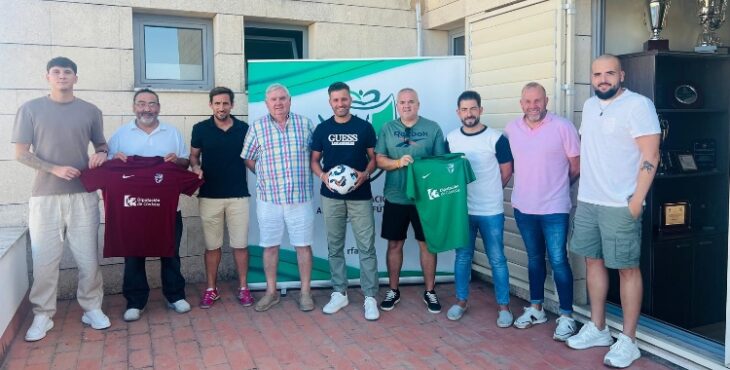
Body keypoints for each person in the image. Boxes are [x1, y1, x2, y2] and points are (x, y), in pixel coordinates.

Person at [566, 55, 660, 368]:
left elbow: (651, 155)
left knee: (626, 268)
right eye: (596, 74)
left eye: (609, 73)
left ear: (621, 75)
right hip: (591, 201)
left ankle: (629, 341)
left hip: (621, 204)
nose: (602, 79)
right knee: (593, 261)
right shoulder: (591, 106)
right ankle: (599, 328)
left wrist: (636, 202)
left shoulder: (638, 105)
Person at [12, 56, 111, 341]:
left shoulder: (91, 111)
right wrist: (53, 168)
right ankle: (43, 315)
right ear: (48, 77)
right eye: (56, 72)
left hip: (83, 195)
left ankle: (92, 307)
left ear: (75, 78)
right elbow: (20, 153)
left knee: (88, 258)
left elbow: (101, 143)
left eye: (67, 72)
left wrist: (101, 153)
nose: (62, 76)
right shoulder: (30, 109)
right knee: (44, 259)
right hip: (45, 198)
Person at [108, 88, 192, 321]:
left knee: (171, 253)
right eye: (142, 103)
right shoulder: (121, 135)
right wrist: (115, 159)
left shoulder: (172, 133)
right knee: (133, 255)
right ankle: (135, 301)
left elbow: (185, 162)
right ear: (134, 107)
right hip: (132, 210)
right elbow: (108, 165)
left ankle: (175, 296)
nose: (147, 108)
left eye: (152, 104)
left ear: (159, 107)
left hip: (167, 209)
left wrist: (178, 161)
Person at [504, 82, 580, 340]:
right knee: (535, 258)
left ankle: (567, 316)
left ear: (546, 101)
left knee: (558, 260)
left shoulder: (563, 127)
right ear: (521, 103)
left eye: (537, 101)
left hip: (555, 208)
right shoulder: (511, 129)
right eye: (528, 101)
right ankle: (536, 308)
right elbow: (510, 164)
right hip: (524, 207)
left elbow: (575, 167)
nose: (533, 106)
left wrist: (556, 187)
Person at [241, 83, 316, 312]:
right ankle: (271, 292)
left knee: (303, 246)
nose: (278, 103)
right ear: (266, 103)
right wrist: (264, 175)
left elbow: (316, 156)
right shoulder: (257, 127)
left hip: (300, 197)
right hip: (269, 199)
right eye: (273, 100)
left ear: (290, 100)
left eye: (282, 98)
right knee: (270, 247)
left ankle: (305, 292)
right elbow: (248, 158)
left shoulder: (305, 124)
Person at [444, 90, 514, 327]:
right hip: (462, 211)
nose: (469, 113)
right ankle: (461, 301)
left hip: (490, 210)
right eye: (464, 109)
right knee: (463, 257)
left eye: (473, 108)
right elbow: (447, 172)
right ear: (458, 112)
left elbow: (506, 171)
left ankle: (504, 307)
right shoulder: (451, 138)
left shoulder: (496, 138)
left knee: (497, 259)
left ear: (480, 110)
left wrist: (492, 190)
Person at [311, 82, 379, 320]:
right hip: (331, 197)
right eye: (336, 100)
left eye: (344, 99)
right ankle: (339, 292)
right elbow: (314, 160)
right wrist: (323, 176)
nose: (340, 104)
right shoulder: (322, 129)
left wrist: (365, 173)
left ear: (350, 100)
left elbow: (374, 158)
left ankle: (370, 297)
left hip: (360, 196)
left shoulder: (364, 127)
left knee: (366, 247)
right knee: (335, 246)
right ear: (330, 102)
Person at [375, 88, 447, 314]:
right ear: (397, 105)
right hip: (396, 196)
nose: (406, 106)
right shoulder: (388, 128)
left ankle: (430, 291)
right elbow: (379, 160)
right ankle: (393, 290)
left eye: (411, 102)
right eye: (402, 102)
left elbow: (441, 163)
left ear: (418, 104)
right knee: (394, 244)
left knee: (427, 244)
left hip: (424, 199)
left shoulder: (432, 128)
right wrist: (397, 163)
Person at [190, 87, 253, 308]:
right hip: (209, 196)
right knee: (212, 247)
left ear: (232, 105)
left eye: (225, 103)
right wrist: (196, 168)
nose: (221, 107)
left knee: (240, 246)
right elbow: (194, 156)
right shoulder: (200, 128)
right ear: (211, 105)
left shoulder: (244, 128)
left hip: (238, 195)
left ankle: (243, 288)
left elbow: (251, 159)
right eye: (217, 103)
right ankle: (211, 289)